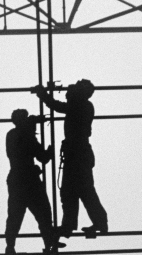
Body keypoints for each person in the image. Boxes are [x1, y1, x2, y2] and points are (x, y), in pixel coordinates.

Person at [32, 79, 108, 238]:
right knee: (73, 191)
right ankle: (75, 225)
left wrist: (43, 94)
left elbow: (59, 106)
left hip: (78, 155)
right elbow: (65, 103)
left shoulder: (83, 105)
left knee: (81, 191)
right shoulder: (82, 104)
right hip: (77, 154)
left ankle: (96, 223)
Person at [4, 108, 61, 255]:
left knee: (15, 216)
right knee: (43, 213)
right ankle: (49, 242)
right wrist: (50, 150)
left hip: (16, 179)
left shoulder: (11, 135)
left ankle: (10, 245)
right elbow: (43, 157)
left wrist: (34, 121)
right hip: (29, 180)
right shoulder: (26, 137)